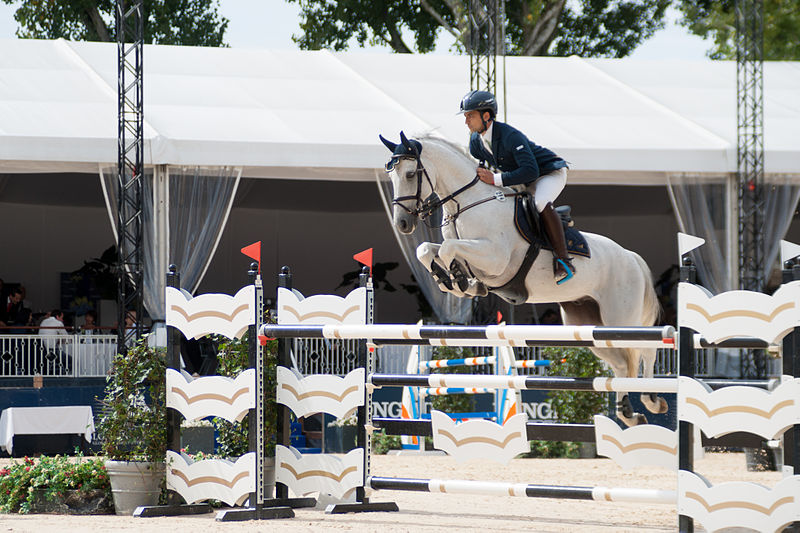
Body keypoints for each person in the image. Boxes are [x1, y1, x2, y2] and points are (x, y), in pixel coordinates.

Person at [460, 90, 575, 284]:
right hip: (525, 179)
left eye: (470, 115)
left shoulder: (509, 136)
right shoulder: (475, 143)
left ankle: (564, 261)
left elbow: (530, 171)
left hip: (549, 172)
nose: (466, 121)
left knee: (539, 202)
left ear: (486, 116)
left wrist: (495, 180)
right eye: (465, 116)